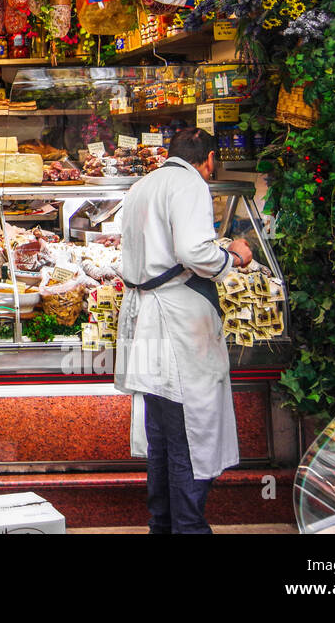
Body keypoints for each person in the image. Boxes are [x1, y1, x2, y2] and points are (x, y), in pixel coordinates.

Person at [113, 126, 254, 534]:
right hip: (176, 323)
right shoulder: (191, 184)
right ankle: (189, 528)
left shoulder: (144, 183)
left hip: (148, 320)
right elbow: (194, 251)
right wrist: (235, 257)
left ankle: (163, 526)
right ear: (209, 160)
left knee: (163, 438)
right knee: (190, 434)